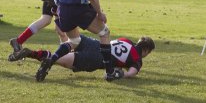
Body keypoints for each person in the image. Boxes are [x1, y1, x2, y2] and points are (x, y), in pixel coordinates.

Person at [11, 35, 155, 80]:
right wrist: (120, 74)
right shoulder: (137, 59)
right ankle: (33, 54)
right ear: (146, 50)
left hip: (94, 43)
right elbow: (131, 73)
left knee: (71, 41)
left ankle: (31, 53)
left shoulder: (126, 40)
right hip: (97, 59)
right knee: (61, 61)